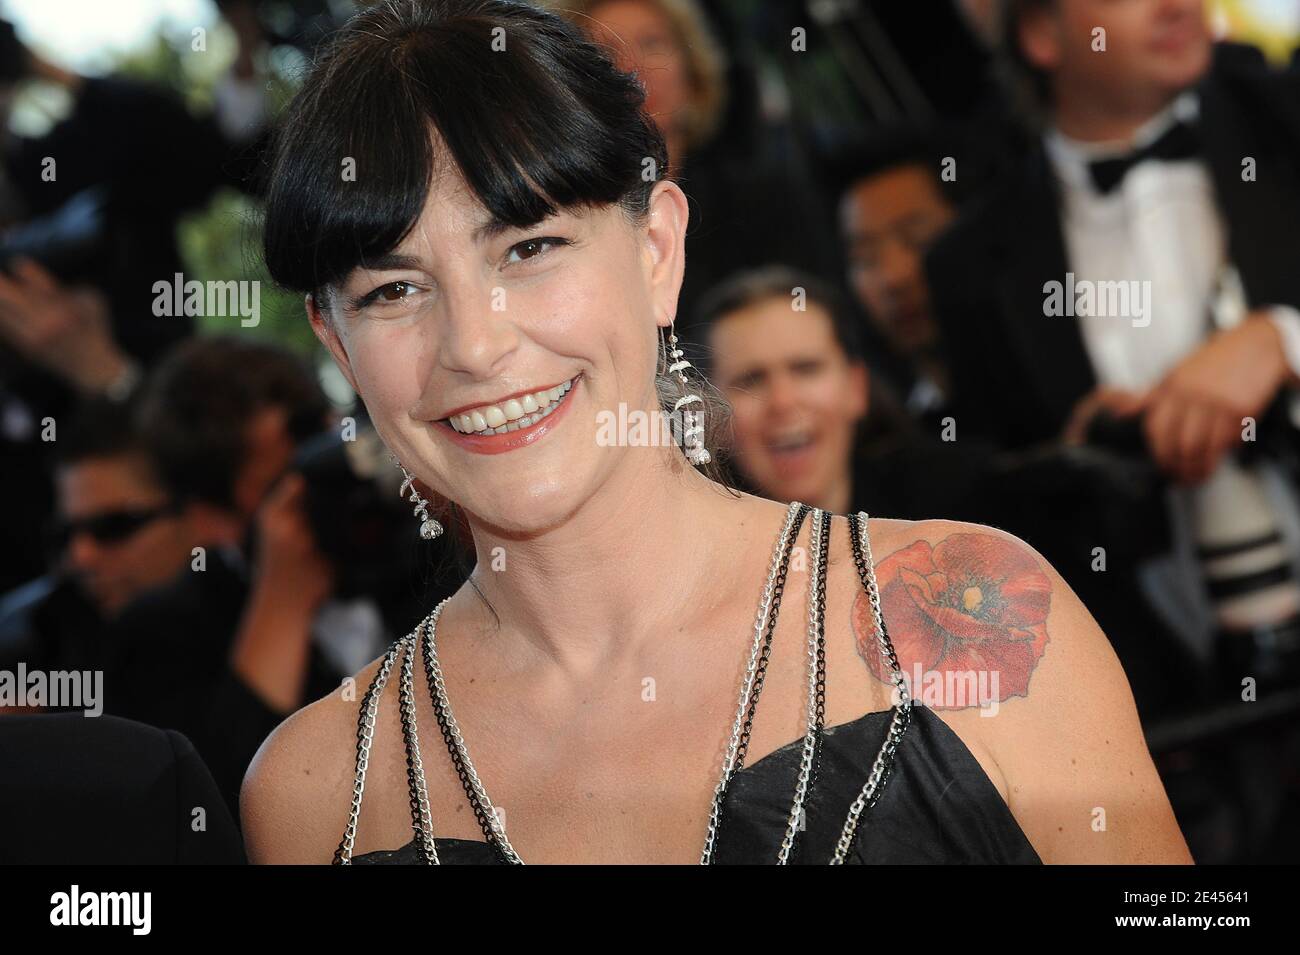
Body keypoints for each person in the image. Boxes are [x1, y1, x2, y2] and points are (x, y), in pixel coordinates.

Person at [241, 0, 1190, 865]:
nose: (477, 346)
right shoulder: (319, 791)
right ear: (337, 342)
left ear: (657, 251)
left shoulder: (976, 616)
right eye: (394, 290)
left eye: (529, 248)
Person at [926, 0, 1300, 687]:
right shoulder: (971, 262)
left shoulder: (1282, 121)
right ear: (1041, 35)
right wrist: (1078, 460)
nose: (1177, 4)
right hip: (1174, 694)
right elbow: (996, 513)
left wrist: (1283, 340)